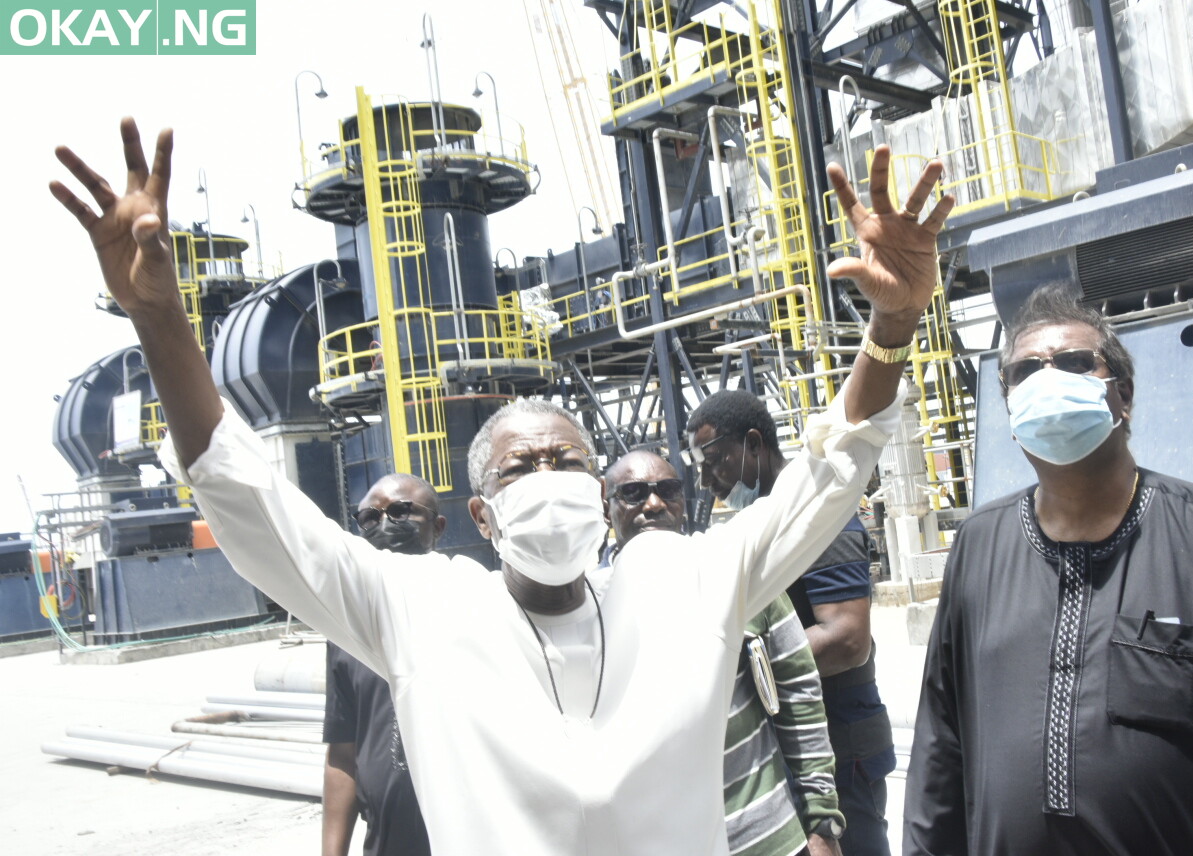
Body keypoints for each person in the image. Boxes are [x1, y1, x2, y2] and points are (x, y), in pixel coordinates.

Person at [51, 118, 952, 855]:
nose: (548, 481)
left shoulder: (680, 585)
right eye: (521, 468)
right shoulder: (424, 610)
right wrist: (161, 320)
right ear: (480, 514)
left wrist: (891, 330)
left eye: (568, 462)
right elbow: (253, 505)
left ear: (601, 497)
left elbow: (824, 480)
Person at [905, 284, 1193, 855]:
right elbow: (942, 738)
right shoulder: (979, 546)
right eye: (1025, 372)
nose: (1047, 380)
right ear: (1009, 407)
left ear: (1122, 395)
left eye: (1076, 363)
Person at [603, 451, 845, 856]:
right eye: (633, 493)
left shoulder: (732, 573)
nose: (654, 504)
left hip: (772, 841)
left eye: (668, 490)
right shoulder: (595, 607)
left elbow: (800, 696)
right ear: (605, 505)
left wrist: (822, 823)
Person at [687, 391, 894, 856]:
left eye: (714, 461)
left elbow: (847, 637)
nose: (705, 480)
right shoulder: (762, 526)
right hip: (802, 749)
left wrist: (739, 670)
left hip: (843, 748)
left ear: (753, 444)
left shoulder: (820, 520)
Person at [323, 473, 445, 856]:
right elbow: (343, 754)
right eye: (370, 517)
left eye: (401, 511)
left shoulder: (472, 604)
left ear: (438, 527)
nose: (385, 524)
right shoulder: (347, 627)